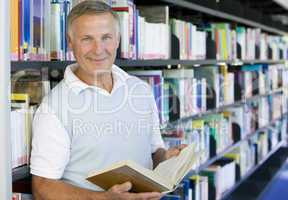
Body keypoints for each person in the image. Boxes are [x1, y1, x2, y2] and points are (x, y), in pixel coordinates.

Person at [30, 1, 186, 199]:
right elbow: (43, 187)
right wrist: (104, 198)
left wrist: (167, 159)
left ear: (118, 40)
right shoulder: (53, 108)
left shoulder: (140, 90)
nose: (98, 49)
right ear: (70, 41)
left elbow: (153, 153)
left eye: (106, 38)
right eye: (87, 39)